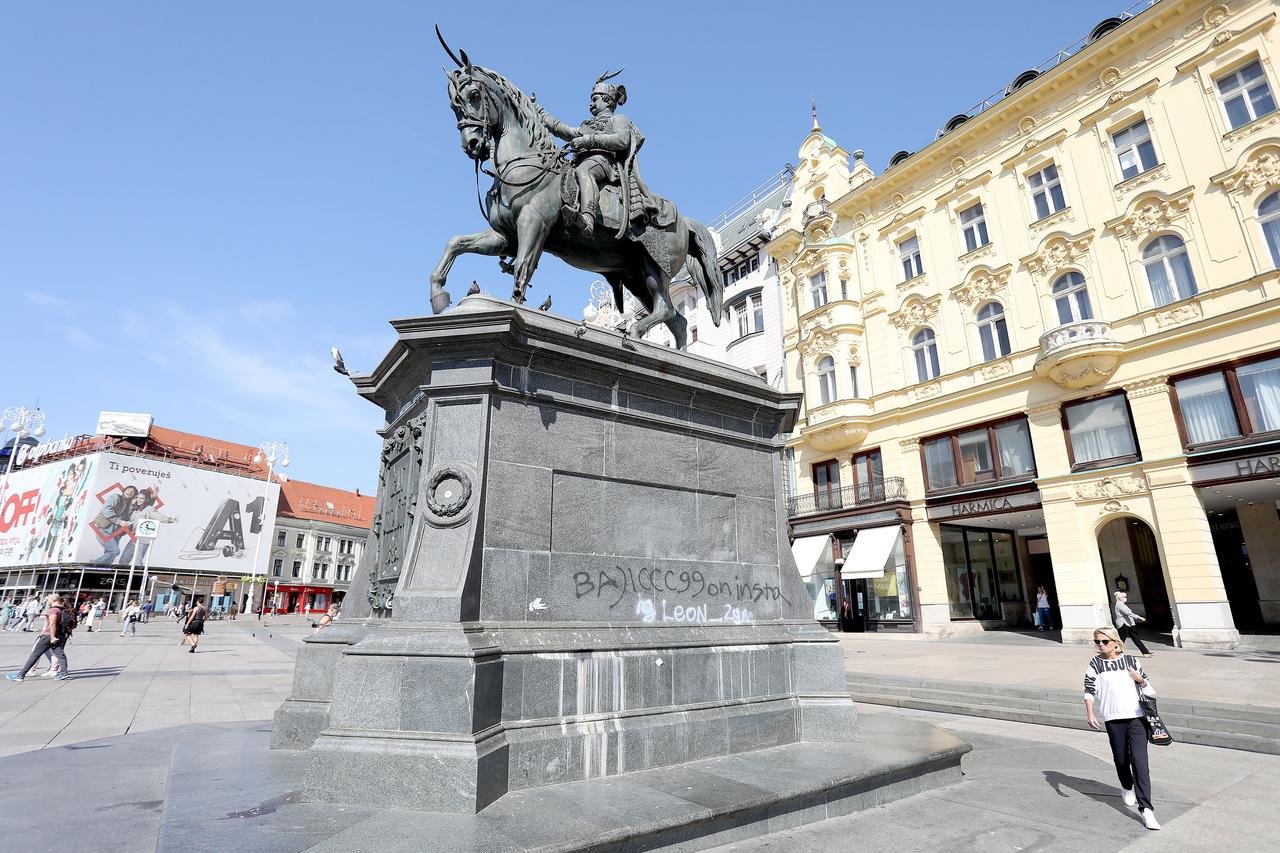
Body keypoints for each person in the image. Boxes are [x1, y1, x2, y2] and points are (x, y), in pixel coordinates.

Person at [537, 71, 664, 239]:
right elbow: (563, 129)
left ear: (607, 100)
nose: (591, 103)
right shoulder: (587, 124)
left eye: (595, 99)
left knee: (584, 171)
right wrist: (540, 113)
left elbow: (621, 140)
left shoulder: (618, 119)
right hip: (584, 159)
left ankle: (588, 217)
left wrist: (587, 141)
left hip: (605, 162)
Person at [1084, 626, 1160, 830]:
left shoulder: (1131, 661)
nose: (1100, 645)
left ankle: (1146, 810)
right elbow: (1089, 689)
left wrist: (1140, 680)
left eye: (1104, 641)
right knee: (1121, 759)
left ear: (1115, 642)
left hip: (1137, 719)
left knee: (1140, 763)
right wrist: (1090, 712)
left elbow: (1148, 687)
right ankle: (1127, 786)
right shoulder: (1096, 664)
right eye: (1097, 642)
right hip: (1113, 719)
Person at [5, 594, 70, 682]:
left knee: (35, 654)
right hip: (59, 635)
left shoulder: (53, 610)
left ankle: (21, 675)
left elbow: (52, 624)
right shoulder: (63, 610)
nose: (48, 602)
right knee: (60, 654)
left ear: (53, 600)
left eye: (48, 600)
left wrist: (52, 636)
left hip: (49, 636)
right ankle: (64, 673)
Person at [1114, 591, 1153, 656]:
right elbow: (1128, 613)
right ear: (1120, 598)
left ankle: (1145, 652)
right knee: (1121, 639)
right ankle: (1116, 652)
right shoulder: (1119, 604)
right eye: (1124, 597)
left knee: (1135, 638)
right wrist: (1139, 618)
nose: (1125, 598)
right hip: (1123, 624)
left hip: (1128, 624)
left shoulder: (1122, 604)